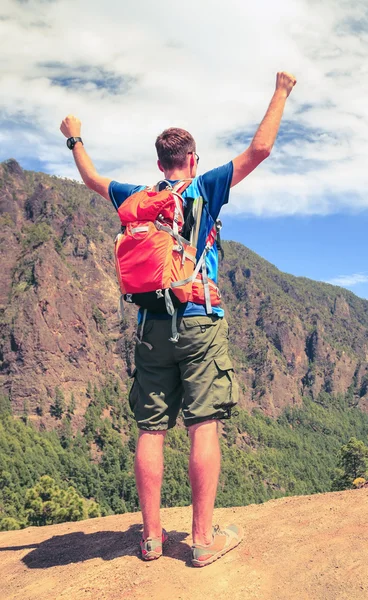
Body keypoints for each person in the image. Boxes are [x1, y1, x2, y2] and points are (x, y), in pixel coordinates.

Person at [60, 71, 297, 566]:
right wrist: (281, 91)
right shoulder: (205, 189)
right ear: (192, 159)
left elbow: (90, 178)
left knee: (151, 429)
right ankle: (202, 539)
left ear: (159, 162)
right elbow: (260, 149)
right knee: (203, 424)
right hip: (199, 320)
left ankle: (150, 540)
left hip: (150, 326)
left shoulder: (136, 196)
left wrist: (74, 136)